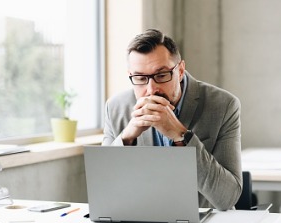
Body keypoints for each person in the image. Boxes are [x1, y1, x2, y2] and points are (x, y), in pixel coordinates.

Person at [102, 29, 242, 210]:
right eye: (140, 78)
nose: (151, 89)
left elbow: (227, 198)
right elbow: (104, 189)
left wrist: (181, 135)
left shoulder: (224, 106)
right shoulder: (115, 108)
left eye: (161, 76)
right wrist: (127, 138)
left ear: (181, 70)